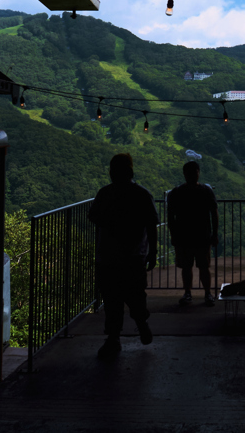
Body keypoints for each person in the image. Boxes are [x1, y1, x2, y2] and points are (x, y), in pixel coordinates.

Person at [89, 153, 159, 358]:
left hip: (108, 256)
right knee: (136, 294)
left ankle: (113, 338)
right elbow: (152, 226)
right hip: (134, 256)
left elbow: (94, 217)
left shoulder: (105, 193)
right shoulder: (142, 194)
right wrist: (152, 252)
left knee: (112, 299)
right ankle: (141, 322)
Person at [167, 161, 219, 307]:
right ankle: (207, 293)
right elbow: (214, 214)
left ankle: (188, 293)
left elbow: (171, 217)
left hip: (184, 237)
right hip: (202, 235)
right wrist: (214, 234)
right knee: (203, 267)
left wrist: (173, 235)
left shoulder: (176, 193)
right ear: (198, 172)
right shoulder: (206, 191)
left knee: (187, 267)